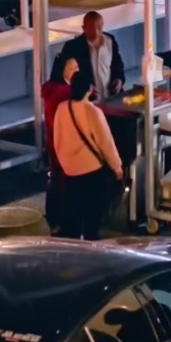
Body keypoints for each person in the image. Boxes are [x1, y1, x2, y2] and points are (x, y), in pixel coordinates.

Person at [51, 68, 124, 239]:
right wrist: (117, 167)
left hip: (69, 170)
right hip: (92, 171)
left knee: (74, 212)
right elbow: (106, 143)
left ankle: (75, 247)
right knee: (93, 214)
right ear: (90, 88)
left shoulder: (62, 108)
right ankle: (91, 246)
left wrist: (65, 163)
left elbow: (57, 138)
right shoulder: (93, 111)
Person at [41, 49, 80, 231]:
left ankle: (53, 217)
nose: (76, 71)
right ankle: (62, 219)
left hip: (53, 141)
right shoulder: (64, 92)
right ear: (63, 71)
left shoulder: (51, 88)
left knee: (55, 179)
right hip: (63, 144)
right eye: (72, 68)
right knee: (62, 182)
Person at [57, 11, 124, 101]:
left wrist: (119, 79)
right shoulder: (74, 47)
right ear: (84, 28)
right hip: (86, 102)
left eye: (99, 28)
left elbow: (117, 63)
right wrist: (85, 88)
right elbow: (66, 75)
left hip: (111, 98)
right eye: (92, 29)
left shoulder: (110, 41)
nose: (96, 32)